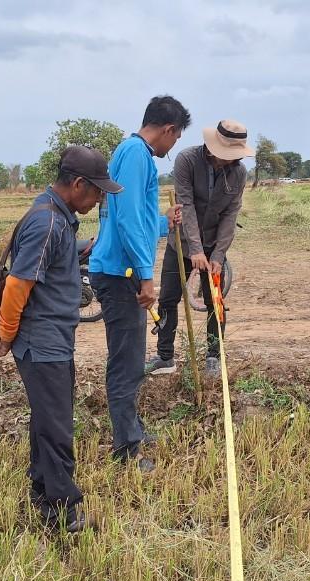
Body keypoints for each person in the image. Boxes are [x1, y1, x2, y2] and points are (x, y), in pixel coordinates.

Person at [0, 145, 123, 532]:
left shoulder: (56, 216)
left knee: (48, 420)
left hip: (53, 338)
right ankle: (63, 509)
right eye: (97, 190)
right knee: (57, 426)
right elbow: (17, 285)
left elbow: (45, 264)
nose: (99, 198)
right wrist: (6, 333)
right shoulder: (48, 222)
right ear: (78, 184)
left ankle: (42, 491)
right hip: (41, 340)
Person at [88, 95, 189, 470]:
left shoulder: (138, 155)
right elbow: (127, 220)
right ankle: (127, 450)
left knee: (129, 359)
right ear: (168, 130)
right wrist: (147, 277)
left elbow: (139, 221)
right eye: (175, 138)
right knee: (126, 362)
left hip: (124, 270)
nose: (173, 145)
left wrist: (164, 222)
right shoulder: (134, 153)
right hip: (121, 275)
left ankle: (133, 430)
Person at [145, 119, 252, 378]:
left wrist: (217, 255)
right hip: (180, 243)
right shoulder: (187, 160)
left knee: (215, 302)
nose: (229, 160)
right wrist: (195, 249)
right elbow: (186, 205)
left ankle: (214, 356)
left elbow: (230, 214)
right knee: (169, 299)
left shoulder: (238, 173)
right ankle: (165, 356)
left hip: (214, 245)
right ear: (212, 146)